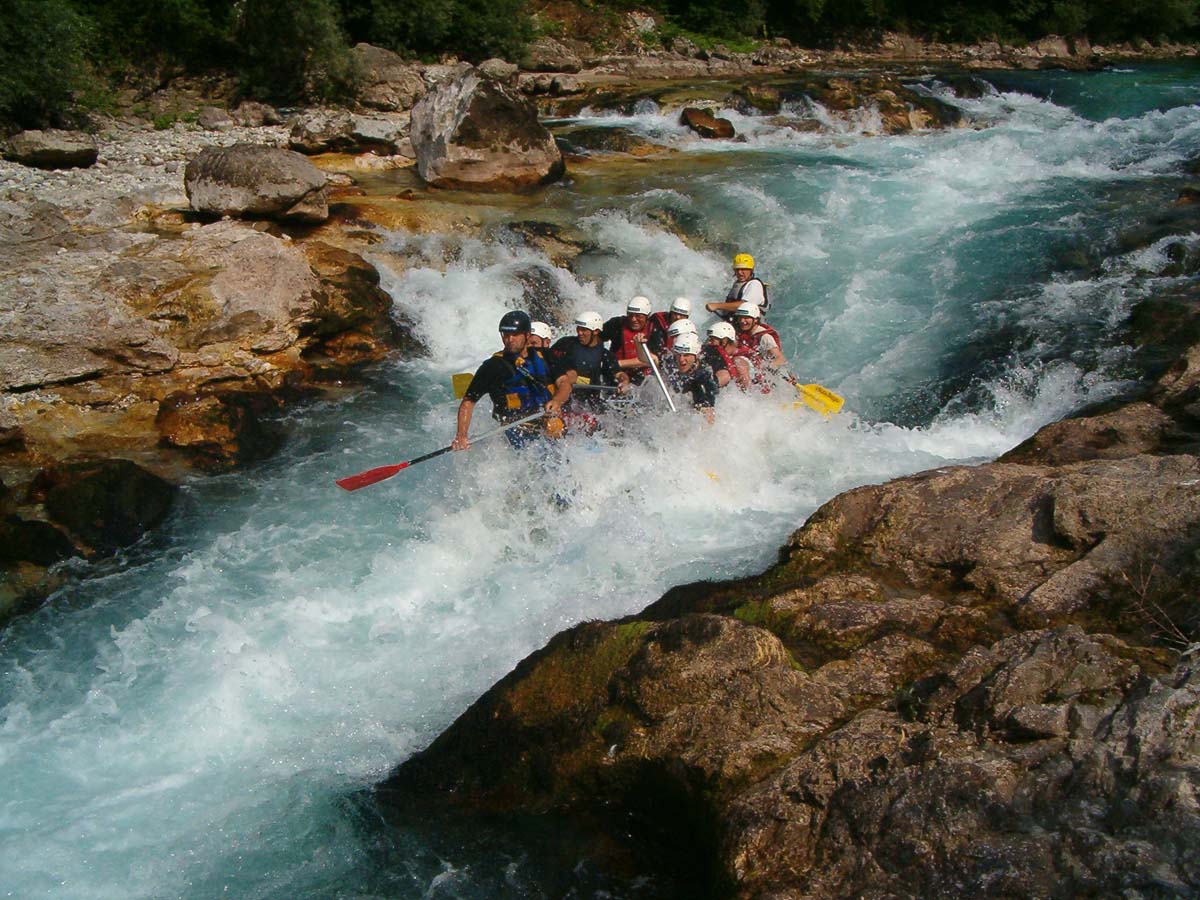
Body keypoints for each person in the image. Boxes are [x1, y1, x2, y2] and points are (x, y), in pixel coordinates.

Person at [452, 310, 571, 450]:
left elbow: (565, 383)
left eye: (515, 335)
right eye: (506, 335)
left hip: (547, 422)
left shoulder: (545, 355)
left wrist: (557, 401)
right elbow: (468, 402)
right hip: (515, 429)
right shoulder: (493, 366)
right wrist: (461, 436)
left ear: (527, 335)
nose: (510, 339)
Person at [547, 311, 629, 414]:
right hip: (565, 398)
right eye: (578, 329)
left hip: (589, 404)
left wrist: (624, 382)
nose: (579, 333)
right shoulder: (565, 344)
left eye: (584, 330)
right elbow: (549, 360)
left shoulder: (604, 355)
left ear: (595, 331)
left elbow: (619, 374)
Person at [659, 331, 717, 423]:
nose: (681, 360)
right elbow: (650, 359)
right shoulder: (671, 362)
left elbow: (708, 418)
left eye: (686, 355)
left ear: (696, 356)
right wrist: (639, 343)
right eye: (679, 355)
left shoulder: (703, 380)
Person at [731, 302, 786, 391]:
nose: (742, 321)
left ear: (756, 319)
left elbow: (780, 359)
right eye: (740, 317)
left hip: (767, 374)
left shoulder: (765, 337)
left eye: (746, 318)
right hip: (754, 369)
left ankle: (748, 393)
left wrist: (770, 366)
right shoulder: (741, 333)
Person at [602, 295, 656, 383]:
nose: (633, 319)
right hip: (616, 374)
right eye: (630, 315)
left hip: (643, 377)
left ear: (647, 316)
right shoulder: (616, 324)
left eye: (639, 316)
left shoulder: (654, 330)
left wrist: (617, 363)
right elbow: (595, 341)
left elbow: (653, 360)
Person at [705, 253, 769, 320]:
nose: (740, 272)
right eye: (737, 269)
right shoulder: (738, 284)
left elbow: (744, 306)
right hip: (738, 324)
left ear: (751, 270)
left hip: (751, 326)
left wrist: (717, 306)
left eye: (743, 269)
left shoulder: (755, 284)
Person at [704, 321, 751, 391]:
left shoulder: (739, 360)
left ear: (724, 341)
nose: (708, 342)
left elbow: (747, 387)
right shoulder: (717, 356)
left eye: (712, 340)